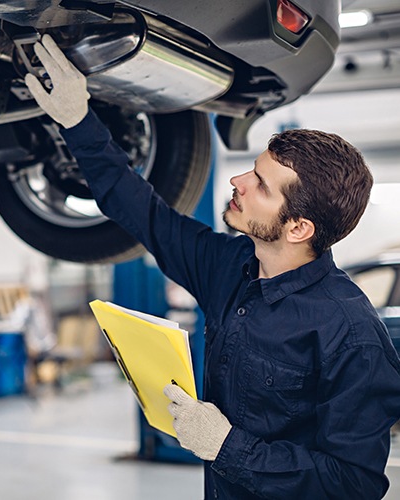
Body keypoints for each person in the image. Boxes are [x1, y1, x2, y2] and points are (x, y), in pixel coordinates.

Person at [24, 34, 400, 499]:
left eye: (261, 185)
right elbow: (144, 212)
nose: (240, 181)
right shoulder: (230, 267)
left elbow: (354, 482)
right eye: (252, 168)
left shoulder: (352, 335)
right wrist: (78, 121)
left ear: (298, 227)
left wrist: (227, 447)